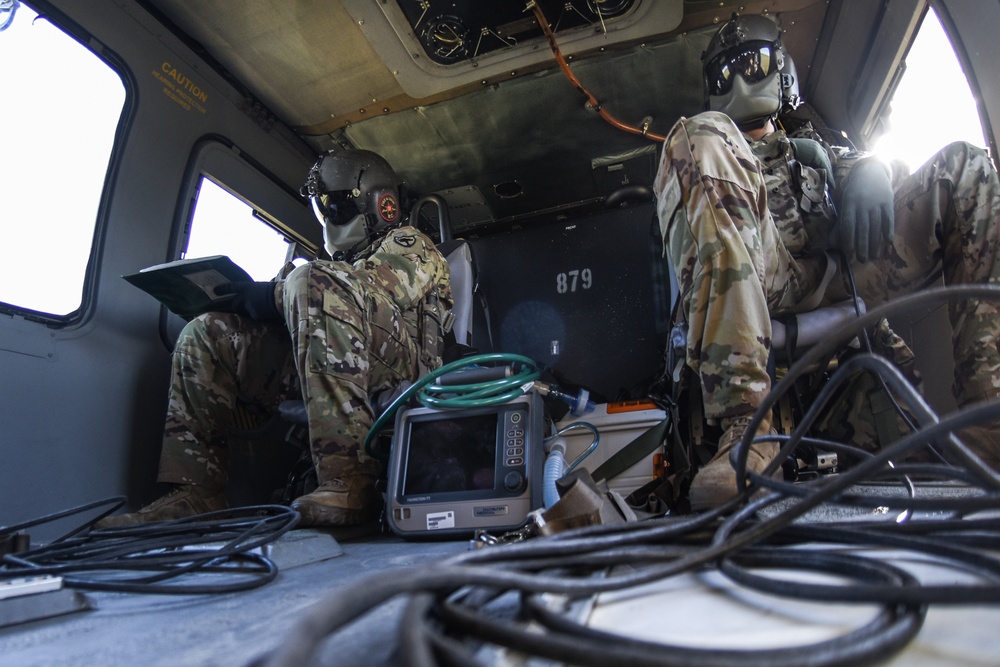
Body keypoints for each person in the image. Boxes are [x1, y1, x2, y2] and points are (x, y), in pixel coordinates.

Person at [653, 14, 1000, 509]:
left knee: (966, 165)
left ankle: (991, 426)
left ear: (783, 72)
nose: (739, 81)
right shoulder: (711, 151)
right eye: (725, 74)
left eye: (753, 64)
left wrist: (870, 167)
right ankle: (746, 432)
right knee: (696, 137)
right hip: (763, 277)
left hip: (846, 270)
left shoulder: (817, 147)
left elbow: (893, 186)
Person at [98, 149, 453, 527]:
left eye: (333, 208)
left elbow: (379, 287)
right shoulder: (331, 268)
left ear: (376, 204)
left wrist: (273, 294)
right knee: (206, 333)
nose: (327, 219)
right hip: (330, 354)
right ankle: (196, 494)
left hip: (405, 369)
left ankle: (350, 479)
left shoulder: (412, 244)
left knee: (310, 279)